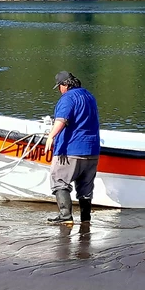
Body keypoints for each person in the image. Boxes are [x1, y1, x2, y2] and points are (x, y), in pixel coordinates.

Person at [45, 71, 100, 225]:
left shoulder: (68, 98)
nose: (59, 90)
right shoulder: (90, 96)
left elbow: (62, 119)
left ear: (66, 85)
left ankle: (65, 217)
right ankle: (85, 219)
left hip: (71, 150)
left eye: (59, 87)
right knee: (85, 189)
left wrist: (51, 136)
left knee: (60, 181)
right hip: (92, 150)